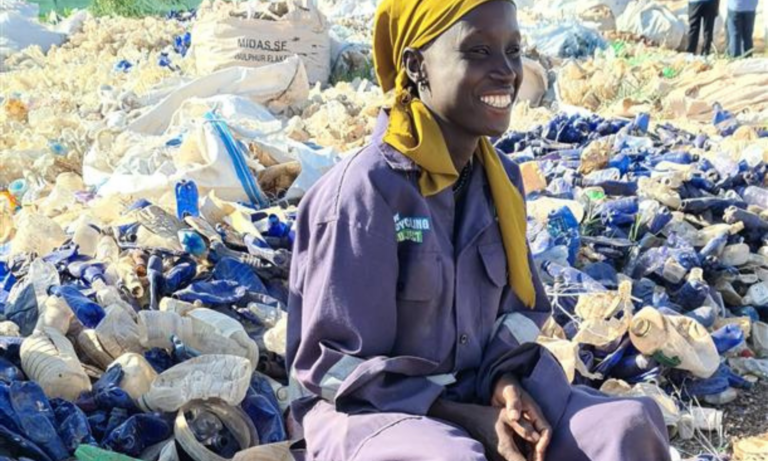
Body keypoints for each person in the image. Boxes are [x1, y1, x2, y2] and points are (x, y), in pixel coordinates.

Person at [286, 1, 672, 460]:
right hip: (371, 413)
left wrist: (504, 387)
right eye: (478, 51)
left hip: (476, 392)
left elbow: (517, 316)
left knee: (627, 427)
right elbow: (332, 369)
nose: (506, 71)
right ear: (416, 66)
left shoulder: (500, 182)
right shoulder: (364, 193)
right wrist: (466, 419)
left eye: (512, 50)